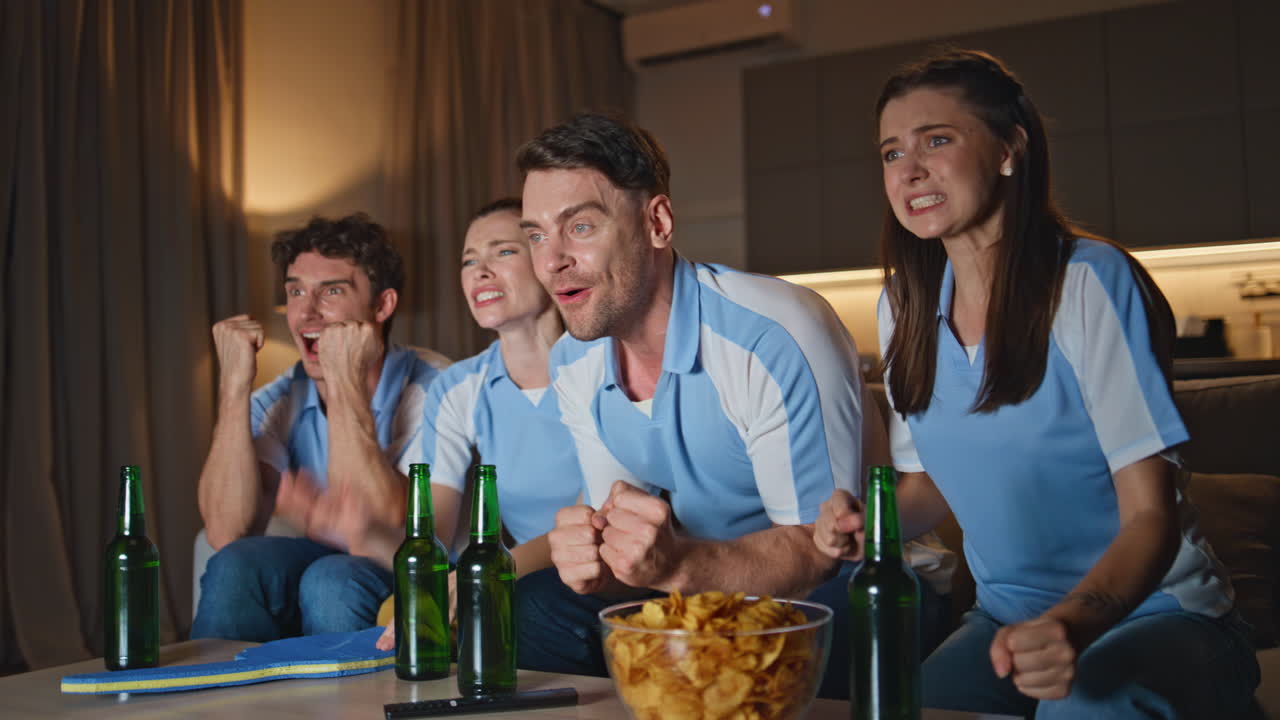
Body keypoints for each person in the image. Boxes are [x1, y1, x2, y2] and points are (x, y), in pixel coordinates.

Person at [814, 49, 1260, 718]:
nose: (910, 170)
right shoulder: (902, 306)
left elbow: (1150, 515)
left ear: (1008, 149)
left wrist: (1074, 626)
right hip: (1005, 627)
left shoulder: (1089, 282)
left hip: (1156, 617)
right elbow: (929, 484)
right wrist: (863, 527)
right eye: (890, 153)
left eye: (937, 140)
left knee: (1081, 704)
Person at [513, 111, 954, 700]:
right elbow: (629, 547)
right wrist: (595, 560)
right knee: (533, 609)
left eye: (581, 227)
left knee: (797, 640)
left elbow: (815, 552)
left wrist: (672, 568)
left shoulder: (773, 335)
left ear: (657, 223)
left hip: (852, 583)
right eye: (537, 234)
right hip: (697, 587)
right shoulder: (574, 363)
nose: (551, 262)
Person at [192, 213, 445, 642]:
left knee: (332, 580)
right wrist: (234, 386)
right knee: (234, 564)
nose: (306, 312)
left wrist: (343, 377)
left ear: (382, 305)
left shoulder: (435, 387)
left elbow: (379, 520)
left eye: (331, 291)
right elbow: (224, 530)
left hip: (412, 560)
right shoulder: (277, 399)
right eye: (295, 291)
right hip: (321, 554)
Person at [370, 197, 586, 650]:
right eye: (469, 260)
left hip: (599, 569)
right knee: (398, 609)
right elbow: (434, 527)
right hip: (519, 575)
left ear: (547, 261)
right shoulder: (458, 387)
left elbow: (594, 518)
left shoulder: (605, 366)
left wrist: (486, 572)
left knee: (512, 606)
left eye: (503, 252)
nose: (479, 271)